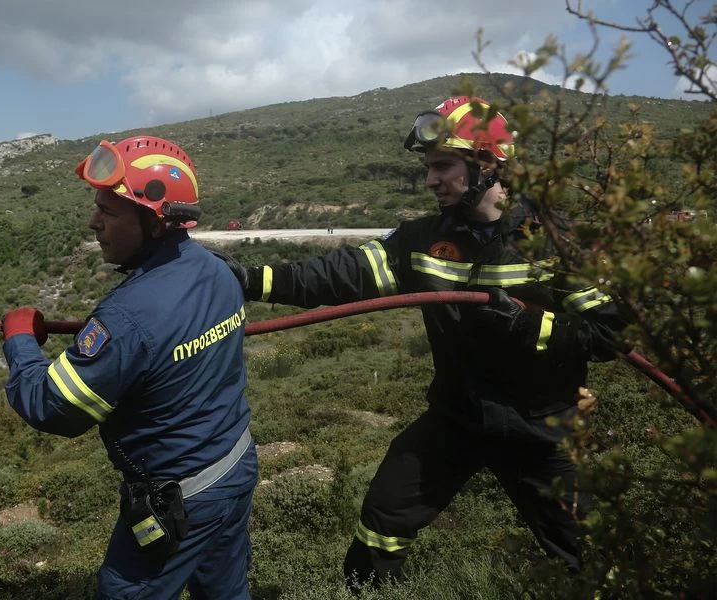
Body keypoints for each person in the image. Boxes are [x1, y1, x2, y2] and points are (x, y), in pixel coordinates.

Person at [230, 97, 625, 588]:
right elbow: (340, 274)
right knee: (381, 523)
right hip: (457, 417)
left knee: (589, 556)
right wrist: (246, 280)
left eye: (443, 166)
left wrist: (531, 327)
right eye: (428, 168)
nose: (431, 180)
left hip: (541, 430)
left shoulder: (557, 241)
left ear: (487, 165)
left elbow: (610, 334)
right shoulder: (424, 237)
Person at [1, 135, 257, 599]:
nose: (93, 222)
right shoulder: (216, 271)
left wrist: (19, 339)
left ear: (157, 224)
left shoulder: (127, 319)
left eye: (109, 212)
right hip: (233, 466)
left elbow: (53, 407)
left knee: (124, 590)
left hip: (181, 498)